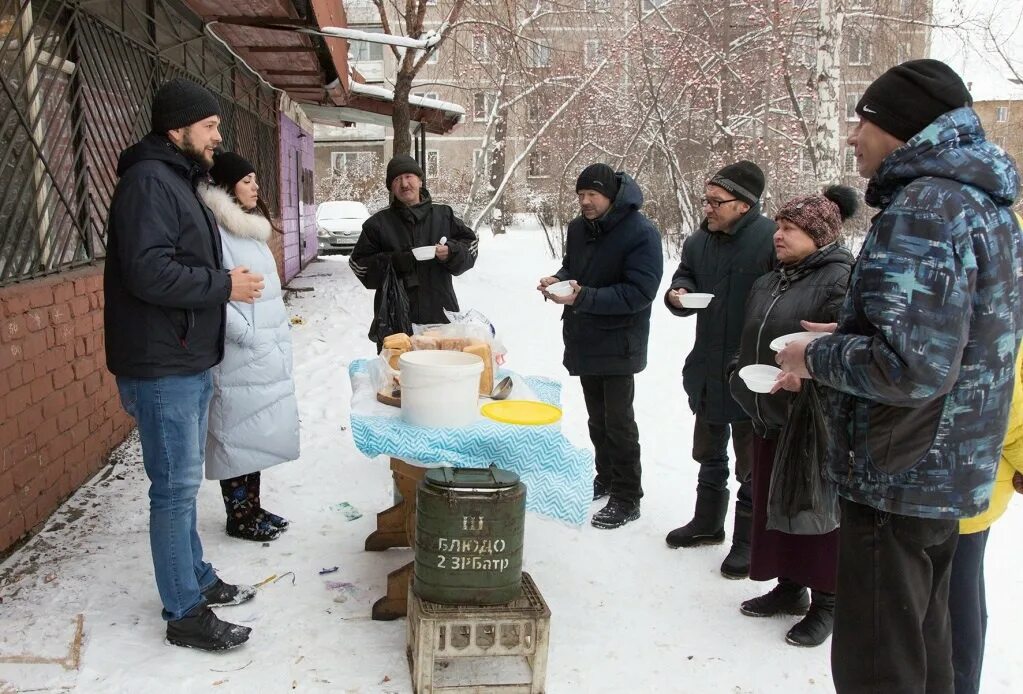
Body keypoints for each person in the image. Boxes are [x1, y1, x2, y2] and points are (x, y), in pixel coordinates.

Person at [775, 59, 1023, 691]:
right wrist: (853, 332)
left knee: (879, 664)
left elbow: (909, 367)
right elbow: (952, 339)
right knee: (923, 652)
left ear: (904, 128)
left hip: (898, 470)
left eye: (863, 122)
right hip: (946, 467)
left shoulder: (926, 208)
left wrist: (814, 358)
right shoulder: (981, 205)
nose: (853, 137)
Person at [104, 78, 265, 651]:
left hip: (184, 358)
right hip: (160, 365)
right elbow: (148, 272)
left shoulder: (177, 179)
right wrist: (224, 286)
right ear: (177, 129)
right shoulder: (149, 183)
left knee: (182, 486)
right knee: (172, 490)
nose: (218, 136)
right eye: (210, 126)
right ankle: (184, 612)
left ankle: (194, 577)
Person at [729, 186, 856, 647]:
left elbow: (848, 348)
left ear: (818, 235)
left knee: (813, 508)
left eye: (789, 229)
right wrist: (736, 368)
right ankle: (789, 586)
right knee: (774, 502)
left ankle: (827, 600)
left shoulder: (842, 279)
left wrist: (811, 377)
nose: (777, 235)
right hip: (768, 405)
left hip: (813, 416)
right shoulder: (771, 278)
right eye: (778, 227)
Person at [663, 161, 776, 578]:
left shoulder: (771, 241)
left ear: (744, 205)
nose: (707, 208)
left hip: (752, 370)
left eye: (716, 201)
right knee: (708, 451)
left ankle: (748, 541)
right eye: (705, 199)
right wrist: (680, 293)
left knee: (750, 460)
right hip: (707, 364)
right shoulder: (699, 242)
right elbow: (684, 274)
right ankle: (707, 524)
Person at [538, 163, 663, 529]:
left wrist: (583, 297)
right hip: (585, 335)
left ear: (611, 195)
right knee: (597, 418)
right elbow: (572, 267)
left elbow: (640, 292)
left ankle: (628, 495)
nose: (585, 202)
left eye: (592, 194)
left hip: (620, 340)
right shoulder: (579, 228)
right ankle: (605, 475)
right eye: (580, 195)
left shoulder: (641, 232)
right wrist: (557, 279)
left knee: (619, 422)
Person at [198, 152, 300, 543]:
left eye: (256, 179)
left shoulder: (249, 231)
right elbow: (217, 291)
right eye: (246, 180)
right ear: (226, 186)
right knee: (235, 436)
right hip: (240, 352)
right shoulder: (217, 232)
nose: (255, 186)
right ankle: (239, 516)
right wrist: (248, 335)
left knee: (254, 435)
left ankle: (252, 509)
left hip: (263, 349)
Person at [949, 338, 1023, 693]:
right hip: (973, 483)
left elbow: (1009, 408)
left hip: (966, 484)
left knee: (957, 605)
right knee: (964, 594)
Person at [349, 154, 478, 347]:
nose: (404, 184)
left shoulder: (443, 215)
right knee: (398, 374)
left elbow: (471, 246)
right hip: (396, 319)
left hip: (440, 315)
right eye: (396, 179)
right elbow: (359, 265)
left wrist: (451, 252)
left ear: (420, 180)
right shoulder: (378, 224)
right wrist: (394, 262)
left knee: (443, 371)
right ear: (391, 188)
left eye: (409, 176)